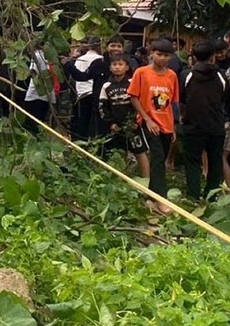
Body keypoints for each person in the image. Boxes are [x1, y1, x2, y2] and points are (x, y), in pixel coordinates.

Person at [128, 38, 179, 215]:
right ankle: (161, 199)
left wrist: (173, 126)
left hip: (166, 123)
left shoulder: (172, 75)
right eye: (159, 54)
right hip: (148, 122)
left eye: (166, 55)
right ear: (151, 54)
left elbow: (172, 103)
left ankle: (150, 197)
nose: (162, 58)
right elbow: (133, 97)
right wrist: (146, 119)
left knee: (161, 160)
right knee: (157, 158)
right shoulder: (141, 73)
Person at [179, 41, 230, 202]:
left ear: (193, 57)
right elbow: (224, 98)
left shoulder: (187, 75)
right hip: (216, 125)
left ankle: (193, 195)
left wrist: (183, 116)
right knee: (215, 161)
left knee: (192, 161)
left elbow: (182, 99)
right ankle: (212, 195)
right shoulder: (222, 76)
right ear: (213, 57)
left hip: (192, 125)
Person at [65, 34, 137, 139]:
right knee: (101, 137)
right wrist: (70, 64)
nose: (115, 49)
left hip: (122, 108)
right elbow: (82, 76)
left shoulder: (128, 64)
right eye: (113, 45)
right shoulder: (98, 63)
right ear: (107, 47)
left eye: (118, 46)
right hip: (101, 108)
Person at [98, 53, 150, 177]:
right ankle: (123, 178)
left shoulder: (133, 82)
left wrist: (136, 121)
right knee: (120, 152)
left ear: (127, 67)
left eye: (120, 64)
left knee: (140, 152)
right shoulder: (106, 86)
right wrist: (111, 123)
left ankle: (147, 180)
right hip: (116, 125)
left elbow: (142, 102)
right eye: (114, 64)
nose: (117, 67)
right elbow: (102, 106)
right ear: (110, 67)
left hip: (133, 125)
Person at [23, 44, 56, 133]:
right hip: (47, 93)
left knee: (31, 121)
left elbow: (32, 71)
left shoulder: (37, 55)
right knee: (40, 120)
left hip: (35, 93)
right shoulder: (49, 56)